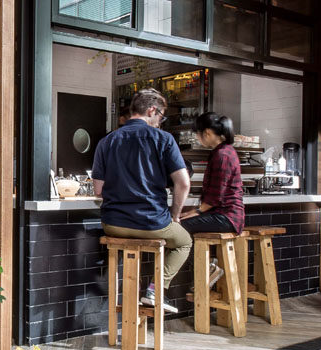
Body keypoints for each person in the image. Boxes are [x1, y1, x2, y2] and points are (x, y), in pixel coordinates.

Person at [92, 88, 192, 314]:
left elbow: (99, 190)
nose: (160, 122)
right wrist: (175, 216)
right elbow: (183, 183)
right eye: (161, 116)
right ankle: (155, 291)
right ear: (152, 110)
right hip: (152, 224)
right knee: (184, 242)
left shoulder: (107, 141)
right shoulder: (164, 139)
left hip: (113, 225)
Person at [180, 111, 244, 288]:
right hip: (228, 215)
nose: (198, 139)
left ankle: (207, 269)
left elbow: (216, 196)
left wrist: (196, 212)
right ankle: (208, 266)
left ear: (207, 133)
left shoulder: (222, 155)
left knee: (181, 228)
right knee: (184, 224)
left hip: (227, 217)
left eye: (198, 135)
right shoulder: (225, 151)